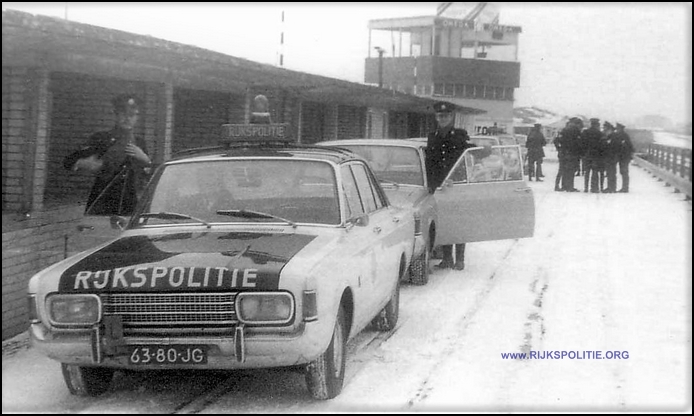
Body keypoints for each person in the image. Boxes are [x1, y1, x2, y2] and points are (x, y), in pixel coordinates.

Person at [63, 94, 151, 215]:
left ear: (136, 118)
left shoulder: (140, 142)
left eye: (131, 115)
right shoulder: (101, 139)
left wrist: (144, 158)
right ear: (115, 115)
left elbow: (149, 173)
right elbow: (69, 161)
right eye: (123, 114)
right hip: (103, 200)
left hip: (131, 203)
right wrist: (83, 163)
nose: (127, 118)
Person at [425, 101, 475, 271]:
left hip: (457, 185)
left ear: (452, 117)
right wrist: (432, 185)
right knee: (444, 222)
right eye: (440, 116)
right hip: (441, 187)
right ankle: (447, 258)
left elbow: (469, 154)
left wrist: (484, 150)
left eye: (446, 116)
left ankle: (460, 259)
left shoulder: (460, 135)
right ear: (436, 117)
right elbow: (430, 163)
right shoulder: (432, 136)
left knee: (459, 221)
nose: (443, 118)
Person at [581, 118, 605, 193]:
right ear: (597, 124)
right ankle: (594, 188)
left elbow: (582, 143)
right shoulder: (600, 134)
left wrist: (583, 153)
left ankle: (586, 188)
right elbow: (602, 145)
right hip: (596, 155)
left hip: (587, 154)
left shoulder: (585, 132)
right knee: (595, 172)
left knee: (587, 172)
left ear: (591, 124)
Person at [614, 123, 635, 192]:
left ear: (620, 128)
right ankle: (625, 187)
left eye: (617, 128)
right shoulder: (624, 135)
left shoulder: (622, 135)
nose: (616, 129)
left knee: (624, 172)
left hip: (624, 157)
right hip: (624, 156)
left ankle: (625, 187)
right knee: (623, 172)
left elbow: (626, 146)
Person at [602, 122, 619, 193]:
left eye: (605, 127)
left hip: (611, 157)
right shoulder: (611, 136)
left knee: (611, 172)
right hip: (611, 156)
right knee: (610, 172)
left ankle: (611, 188)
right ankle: (611, 187)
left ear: (609, 129)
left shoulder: (612, 136)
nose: (604, 129)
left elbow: (611, 147)